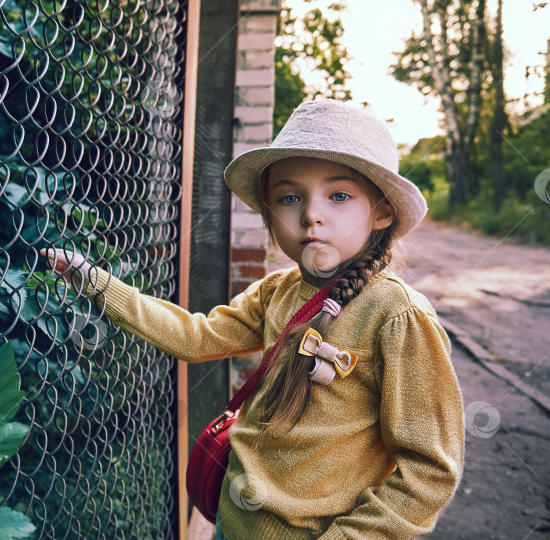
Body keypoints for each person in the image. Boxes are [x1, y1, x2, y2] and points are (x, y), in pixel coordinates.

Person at [40, 99, 464, 539]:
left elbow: (428, 471)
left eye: (339, 195)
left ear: (381, 212)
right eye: (289, 196)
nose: (311, 213)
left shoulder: (398, 317)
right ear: (270, 216)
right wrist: (94, 281)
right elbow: (195, 337)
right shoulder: (277, 290)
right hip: (231, 521)